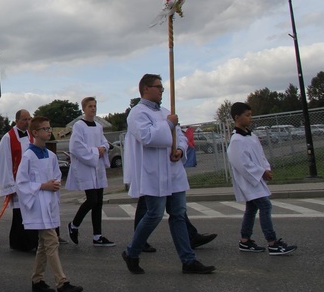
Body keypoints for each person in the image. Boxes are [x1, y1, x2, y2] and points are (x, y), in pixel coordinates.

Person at [121, 74, 215, 275]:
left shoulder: (166, 112)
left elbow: (179, 136)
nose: (162, 90)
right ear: (146, 89)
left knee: (179, 214)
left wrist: (180, 149)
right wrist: (169, 125)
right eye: (158, 87)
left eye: (162, 87)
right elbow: (147, 137)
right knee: (154, 214)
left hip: (172, 171)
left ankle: (188, 260)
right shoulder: (137, 113)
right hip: (153, 173)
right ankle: (132, 252)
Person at [17, 116, 83, 292]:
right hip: (38, 205)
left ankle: (37, 280)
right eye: (45, 128)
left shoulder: (51, 155)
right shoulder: (28, 156)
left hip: (49, 204)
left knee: (44, 245)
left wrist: (54, 184)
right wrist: (42, 186)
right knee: (51, 241)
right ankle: (62, 283)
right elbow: (21, 183)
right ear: (35, 133)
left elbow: (56, 175)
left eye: (49, 127)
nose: (49, 131)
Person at [226, 102, 297, 256]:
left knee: (251, 208)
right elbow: (241, 163)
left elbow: (261, 155)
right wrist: (259, 172)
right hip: (249, 180)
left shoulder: (252, 136)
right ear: (237, 117)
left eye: (251, 115)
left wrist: (266, 169)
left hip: (257, 178)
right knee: (265, 206)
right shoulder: (236, 140)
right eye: (247, 115)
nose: (250, 118)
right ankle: (272, 243)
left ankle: (245, 241)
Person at [65, 97, 114, 247]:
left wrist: (103, 148)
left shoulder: (98, 126)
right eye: (90, 106)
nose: (93, 109)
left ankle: (97, 236)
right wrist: (94, 152)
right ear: (84, 109)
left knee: (98, 202)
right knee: (92, 200)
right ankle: (74, 225)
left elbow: (105, 142)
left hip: (97, 167)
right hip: (86, 166)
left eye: (94, 106)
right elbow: (75, 147)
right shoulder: (79, 126)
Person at [0, 109, 38, 252]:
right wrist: (9, 186)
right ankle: (18, 243)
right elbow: (3, 162)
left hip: (31, 182)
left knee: (31, 211)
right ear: (17, 120)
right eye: (24, 120)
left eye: (29, 119)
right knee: (19, 214)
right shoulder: (8, 138)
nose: (27, 122)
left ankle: (31, 242)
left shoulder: (31, 136)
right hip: (17, 182)